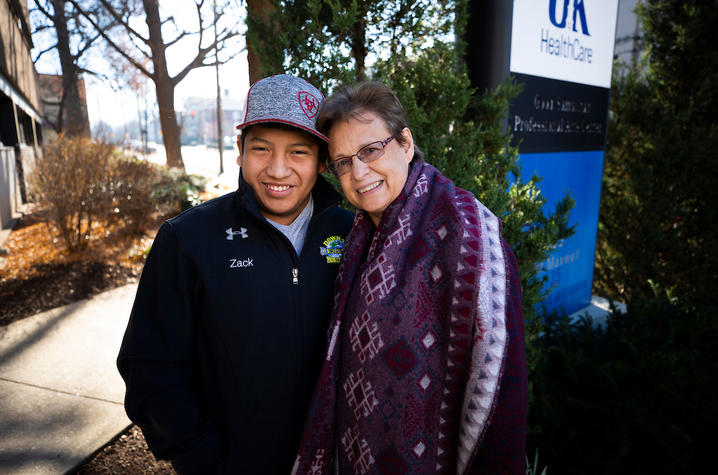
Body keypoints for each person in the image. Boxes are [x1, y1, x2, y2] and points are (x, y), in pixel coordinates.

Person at [117, 74, 354, 474]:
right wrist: (199, 455)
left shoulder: (352, 233)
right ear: (240, 150)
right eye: (261, 149)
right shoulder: (188, 239)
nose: (279, 170)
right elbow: (150, 366)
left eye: (299, 152)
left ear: (321, 161)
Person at [293, 82, 527, 474]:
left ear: (405, 142)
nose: (359, 172)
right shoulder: (360, 233)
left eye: (370, 150)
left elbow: (501, 378)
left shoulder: (467, 230)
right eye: (343, 162)